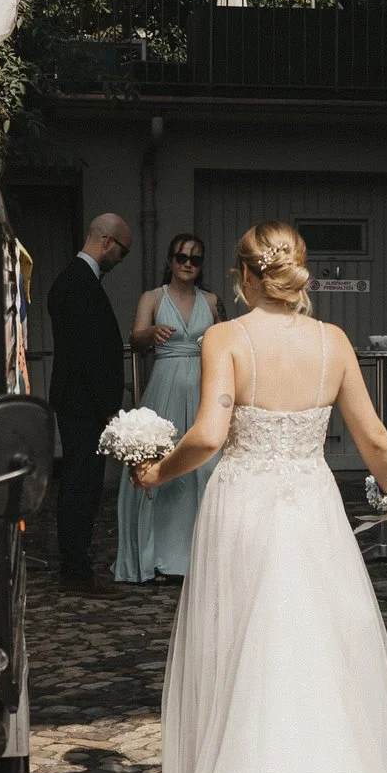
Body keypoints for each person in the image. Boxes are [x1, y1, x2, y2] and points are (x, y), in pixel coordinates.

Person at [130, 221, 387, 773]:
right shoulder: (333, 343)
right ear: (299, 272)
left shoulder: (225, 337)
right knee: (317, 664)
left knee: (241, 657)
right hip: (312, 509)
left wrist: (155, 472)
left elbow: (206, 435)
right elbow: (376, 439)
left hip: (243, 508)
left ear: (241, 275)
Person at [115, 232, 221, 583]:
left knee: (202, 469)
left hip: (203, 389)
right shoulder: (153, 297)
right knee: (160, 465)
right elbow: (134, 337)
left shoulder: (211, 300)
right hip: (164, 388)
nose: (188, 264)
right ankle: (156, 555)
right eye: (181, 257)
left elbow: (223, 342)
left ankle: (198, 556)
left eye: (195, 259)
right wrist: (152, 333)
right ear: (170, 261)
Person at [47, 212, 132, 597]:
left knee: (81, 485)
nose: (120, 260)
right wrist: (108, 407)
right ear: (108, 242)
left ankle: (76, 566)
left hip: (79, 402)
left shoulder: (73, 280)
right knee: (82, 487)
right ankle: (76, 571)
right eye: (123, 251)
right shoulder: (79, 283)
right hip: (84, 404)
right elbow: (90, 354)